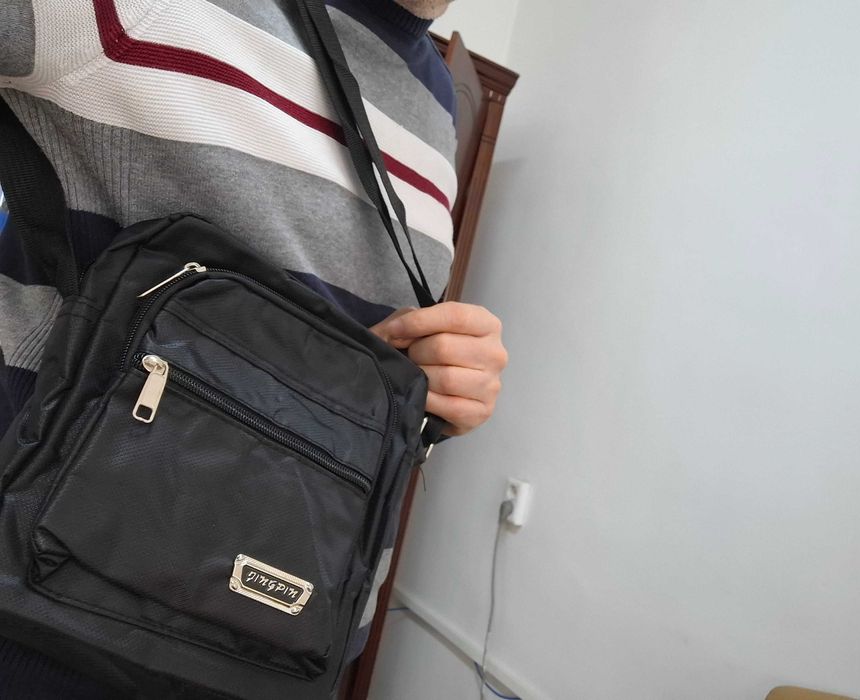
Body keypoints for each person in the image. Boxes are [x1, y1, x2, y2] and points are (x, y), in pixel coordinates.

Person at [0, 0, 507, 695]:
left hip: (287, 649)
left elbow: (324, 345)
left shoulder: (439, 99)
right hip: (55, 620)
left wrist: (436, 385)